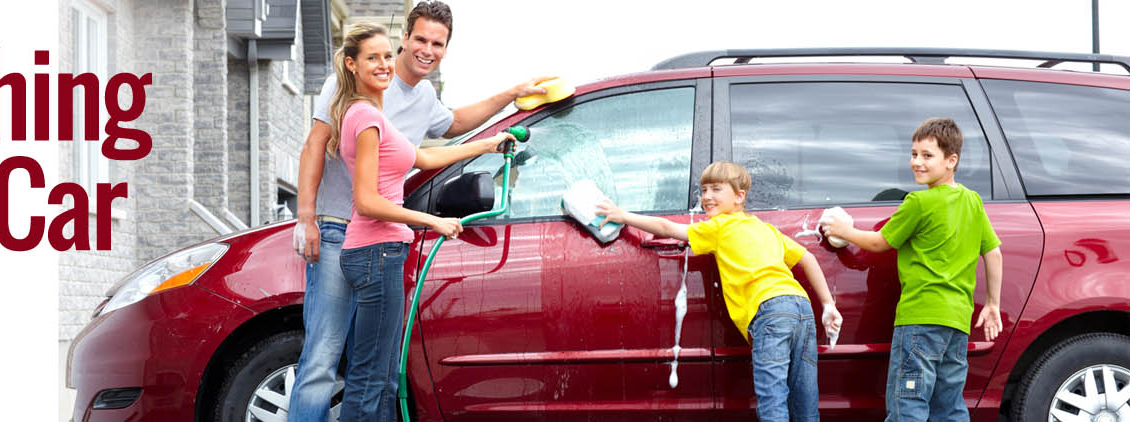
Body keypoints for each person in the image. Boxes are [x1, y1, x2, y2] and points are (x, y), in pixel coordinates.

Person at [287, 1, 551, 420]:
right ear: (405, 38)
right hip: (338, 227)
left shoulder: (424, 97)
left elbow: (452, 128)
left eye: (438, 43)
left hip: (382, 242)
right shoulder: (358, 84)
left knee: (376, 365)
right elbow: (314, 145)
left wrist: (510, 97)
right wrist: (306, 218)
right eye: (421, 39)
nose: (428, 50)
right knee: (323, 357)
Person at [597, 161, 842, 422]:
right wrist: (828, 304)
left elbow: (668, 229)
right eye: (703, 190)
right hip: (801, 307)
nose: (707, 197)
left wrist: (624, 216)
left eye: (716, 189)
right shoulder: (766, 229)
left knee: (773, 400)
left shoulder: (719, 227)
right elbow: (808, 259)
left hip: (769, 311)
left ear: (739, 197)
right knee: (805, 401)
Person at [822, 117, 1003, 422]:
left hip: (920, 319)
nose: (917, 162)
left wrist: (844, 229)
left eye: (927, 156)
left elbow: (880, 243)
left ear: (951, 160)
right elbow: (994, 253)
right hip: (956, 322)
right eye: (914, 154)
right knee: (949, 406)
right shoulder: (972, 201)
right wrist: (994, 304)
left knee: (908, 404)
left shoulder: (918, 202)